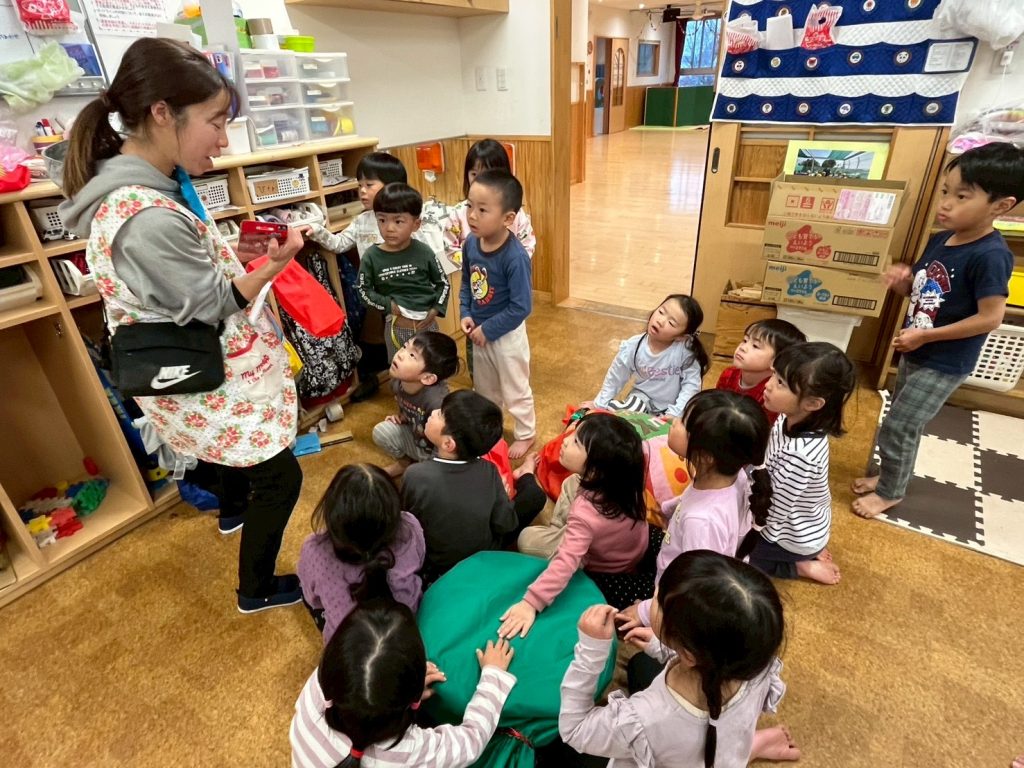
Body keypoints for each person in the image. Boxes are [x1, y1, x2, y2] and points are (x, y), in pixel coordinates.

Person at [59, 37, 304, 614]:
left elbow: (189, 277)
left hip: (189, 359)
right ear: (162, 113)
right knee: (282, 479)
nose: (223, 140)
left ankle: (233, 510)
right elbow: (214, 302)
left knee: (235, 455)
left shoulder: (152, 183)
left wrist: (236, 257)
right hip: (196, 366)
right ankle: (255, 589)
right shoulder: (145, 215)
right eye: (216, 122)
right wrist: (271, 266)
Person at [851, 142, 1024, 519]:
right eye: (946, 192)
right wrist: (901, 281)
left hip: (945, 360)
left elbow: (990, 318)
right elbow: (920, 291)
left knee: (900, 424)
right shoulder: (940, 239)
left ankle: (890, 491)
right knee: (900, 421)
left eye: (962, 196)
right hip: (917, 348)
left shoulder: (991, 255)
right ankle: (890, 476)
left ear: (1000, 206)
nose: (945, 204)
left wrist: (925, 336)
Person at [558, 551, 798, 768]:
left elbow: (575, 729)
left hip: (679, 749)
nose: (653, 595)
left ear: (690, 654)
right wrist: (666, 648)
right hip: (723, 754)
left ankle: (752, 748)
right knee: (642, 665)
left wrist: (592, 652)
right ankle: (750, 748)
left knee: (560, 753)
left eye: (659, 599)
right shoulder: (754, 660)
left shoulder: (647, 719)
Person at [617, 390, 772, 634]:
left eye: (683, 422)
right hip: (680, 555)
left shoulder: (701, 523)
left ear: (706, 457)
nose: (673, 422)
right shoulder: (732, 476)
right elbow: (692, 500)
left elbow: (694, 589)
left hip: (673, 599)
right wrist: (669, 509)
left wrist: (646, 611)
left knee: (601, 583)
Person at [290, 601, 516, 768]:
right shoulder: (409, 752)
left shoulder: (318, 687)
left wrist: (402, 688)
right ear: (413, 702)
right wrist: (493, 677)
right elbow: (472, 742)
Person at [304, 152, 447, 402]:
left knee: (422, 351)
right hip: (383, 300)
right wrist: (316, 230)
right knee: (395, 350)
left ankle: (430, 397)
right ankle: (401, 395)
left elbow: (431, 266)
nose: (362, 191)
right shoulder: (362, 221)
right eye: (359, 185)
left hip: (414, 302)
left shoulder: (411, 224)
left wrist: (433, 305)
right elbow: (339, 244)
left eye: (369, 184)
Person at [498, 414, 648, 638]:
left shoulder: (586, 514)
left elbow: (566, 563)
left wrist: (530, 603)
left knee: (526, 538)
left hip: (603, 564)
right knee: (571, 482)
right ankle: (560, 529)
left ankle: (559, 533)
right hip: (623, 547)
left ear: (596, 470)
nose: (566, 440)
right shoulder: (625, 480)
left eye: (576, 441)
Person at [402, 390, 547, 585]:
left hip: (437, 567)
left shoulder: (415, 475)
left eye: (440, 413)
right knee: (535, 495)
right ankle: (526, 473)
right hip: (483, 557)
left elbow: (407, 523)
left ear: (448, 443)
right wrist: (503, 498)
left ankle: (524, 473)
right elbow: (506, 524)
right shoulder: (489, 471)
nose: (434, 412)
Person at [749, 342, 856, 585]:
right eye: (774, 375)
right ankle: (806, 551)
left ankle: (799, 565)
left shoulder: (801, 456)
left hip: (788, 536)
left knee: (735, 553)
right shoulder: (791, 417)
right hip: (801, 521)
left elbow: (772, 514)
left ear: (813, 404)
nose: (768, 385)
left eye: (780, 383)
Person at [298, 464, 425, 642]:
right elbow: (420, 560)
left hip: (350, 646)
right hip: (409, 628)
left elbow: (313, 600)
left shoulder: (314, 549)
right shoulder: (409, 526)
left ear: (332, 511)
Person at [459, 169, 537, 459]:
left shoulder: (515, 257)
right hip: (480, 333)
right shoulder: (470, 243)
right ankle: (490, 431)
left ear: (507, 218)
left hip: (507, 337)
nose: (472, 215)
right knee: (485, 389)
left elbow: (521, 307)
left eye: (482, 210)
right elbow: (467, 283)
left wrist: (489, 329)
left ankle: (526, 433)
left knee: (515, 388)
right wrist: (466, 312)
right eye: (470, 205)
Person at [356, 183, 450, 363]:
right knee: (399, 372)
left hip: (428, 327)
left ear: (416, 224)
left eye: (398, 221)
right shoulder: (371, 256)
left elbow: (443, 283)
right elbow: (362, 291)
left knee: (431, 368)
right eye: (382, 220)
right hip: (396, 329)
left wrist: (436, 309)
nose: (389, 228)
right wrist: (388, 305)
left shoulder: (424, 251)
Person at [585, 295, 709, 418]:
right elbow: (616, 377)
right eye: (661, 312)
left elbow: (691, 386)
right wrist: (599, 404)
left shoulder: (685, 352)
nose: (660, 321)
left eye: (671, 323)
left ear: (682, 337)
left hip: (672, 406)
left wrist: (673, 414)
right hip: (641, 399)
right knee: (625, 412)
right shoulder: (634, 346)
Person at [431, 138, 536, 271]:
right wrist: (474, 266)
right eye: (474, 174)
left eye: (488, 174)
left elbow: (527, 244)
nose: (480, 181)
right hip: (476, 277)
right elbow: (450, 247)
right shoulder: (459, 213)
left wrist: (511, 267)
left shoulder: (514, 214)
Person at [372, 331, 459, 478]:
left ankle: (427, 468)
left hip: (437, 452)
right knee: (382, 432)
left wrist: (434, 467)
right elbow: (407, 407)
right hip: (418, 440)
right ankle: (404, 464)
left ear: (428, 378)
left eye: (412, 355)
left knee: (421, 480)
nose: (400, 354)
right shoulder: (397, 382)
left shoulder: (437, 401)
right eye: (405, 346)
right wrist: (402, 417)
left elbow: (447, 443)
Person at [715, 319, 806, 425]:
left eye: (755, 346)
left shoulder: (772, 391)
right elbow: (716, 405)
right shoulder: (729, 374)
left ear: (777, 360)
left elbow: (763, 428)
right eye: (745, 340)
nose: (743, 348)